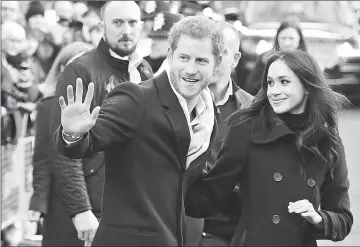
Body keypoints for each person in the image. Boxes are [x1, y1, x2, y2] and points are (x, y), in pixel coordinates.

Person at [53, 15, 224, 246]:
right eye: (184, 58)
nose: (191, 69)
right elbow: (88, 143)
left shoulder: (208, 112)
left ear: (217, 63)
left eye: (201, 61)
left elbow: (187, 188)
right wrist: (73, 134)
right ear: (171, 55)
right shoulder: (135, 98)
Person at [186, 50, 353, 246]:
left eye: (284, 82)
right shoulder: (247, 129)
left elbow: (343, 219)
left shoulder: (327, 140)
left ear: (307, 86)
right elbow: (210, 196)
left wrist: (318, 218)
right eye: (270, 83)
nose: (273, 91)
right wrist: (181, 168)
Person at [49, 1, 154, 245]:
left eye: (132, 22)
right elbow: (63, 144)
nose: (126, 30)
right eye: (117, 23)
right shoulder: (80, 71)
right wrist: (80, 208)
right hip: (95, 207)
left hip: (136, 204)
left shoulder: (145, 70)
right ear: (102, 26)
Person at [28, 42, 94, 246]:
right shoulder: (48, 105)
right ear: (62, 69)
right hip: (61, 198)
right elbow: (42, 157)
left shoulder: (101, 104)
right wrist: (38, 202)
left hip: (97, 195)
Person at [199, 21, 254, 247]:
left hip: (234, 230)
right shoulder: (175, 104)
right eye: (208, 53)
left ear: (236, 59)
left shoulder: (253, 110)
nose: (214, 61)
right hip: (186, 227)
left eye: (221, 53)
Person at [245, 19, 307, 95]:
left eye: (291, 38)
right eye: (283, 38)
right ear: (277, 38)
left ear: (299, 39)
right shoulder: (265, 58)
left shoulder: (307, 63)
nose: (287, 43)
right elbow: (252, 88)